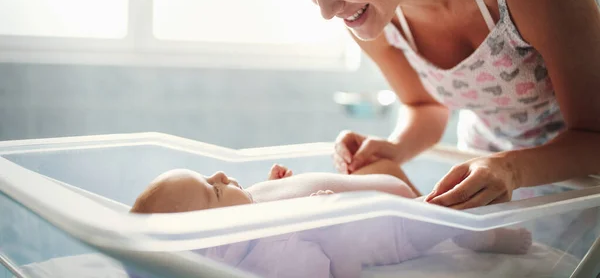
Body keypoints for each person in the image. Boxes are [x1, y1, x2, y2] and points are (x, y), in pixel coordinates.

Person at [267, 0, 600, 210]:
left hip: (580, 174)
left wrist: (511, 168)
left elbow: (594, 136)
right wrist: (395, 148)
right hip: (489, 170)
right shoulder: (367, 14)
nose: (325, 11)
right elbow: (425, 106)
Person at [130, 160, 532, 258]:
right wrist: (328, 225)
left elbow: (285, 195)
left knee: (398, 178)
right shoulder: (274, 246)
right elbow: (332, 267)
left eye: (208, 176)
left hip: (383, 192)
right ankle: (491, 237)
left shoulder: (250, 202)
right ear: (224, 238)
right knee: (448, 216)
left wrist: (280, 180)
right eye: (213, 191)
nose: (219, 174)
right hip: (396, 230)